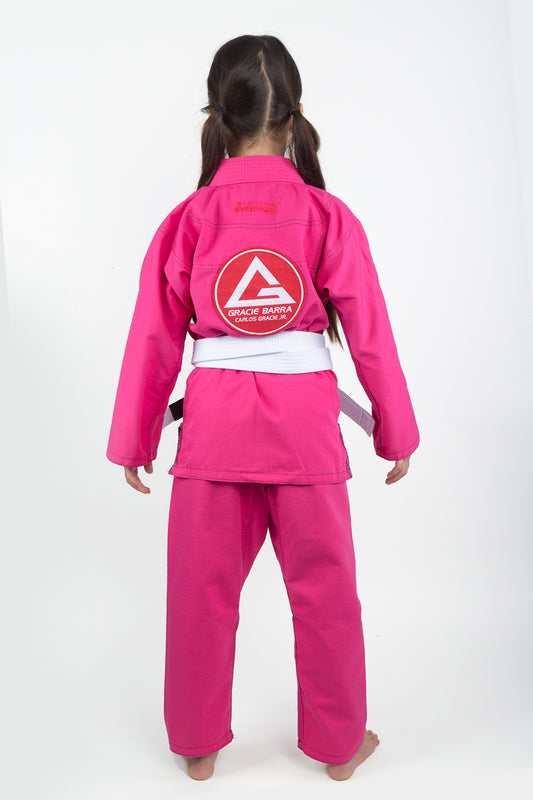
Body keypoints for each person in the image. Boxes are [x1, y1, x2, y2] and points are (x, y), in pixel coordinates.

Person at [106, 34, 420, 782]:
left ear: (218, 115)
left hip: (213, 431)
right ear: (297, 114)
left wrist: (135, 439)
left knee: (199, 595)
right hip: (305, 431)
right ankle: (340, 746)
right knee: (326, 595)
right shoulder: (324, 215)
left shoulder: (188, 220)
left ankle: (196, 744)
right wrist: (394, 430)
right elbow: (369, 332)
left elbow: (153, 337)